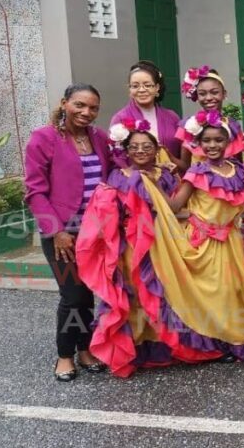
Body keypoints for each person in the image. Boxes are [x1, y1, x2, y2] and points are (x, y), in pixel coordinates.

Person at [146, 112, 244, 363]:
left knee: (232, 290)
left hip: (231, 241)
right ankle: (212, 343)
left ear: (228, 142)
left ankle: (232, 338)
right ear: (198, 143)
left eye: (218, 140)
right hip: (202, 242)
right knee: (210, 292)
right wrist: (151, 183)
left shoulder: (241, 172)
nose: (212, 145)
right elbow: (176, 206)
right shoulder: (197, 172)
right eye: (206, 141)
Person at [25, 83, 114, 381]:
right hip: (63, 234)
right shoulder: (44, 138)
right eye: (79, 105)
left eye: (92, 108)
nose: (86, 112)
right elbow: (35, 192)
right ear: (65, 103)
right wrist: (56, 232)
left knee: (87, 294)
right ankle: (65, 355)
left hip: (96, 233)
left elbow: (114, 172)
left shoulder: (99, 138)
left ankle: (85, 350)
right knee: (72, 295)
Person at [75, 123, 178, 377]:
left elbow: (174, 206)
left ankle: (161, 344)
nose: (141, 151)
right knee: (136, 292)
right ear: (126, 151)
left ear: (157, 150)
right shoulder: (119, 176)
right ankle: (134, 346)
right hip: (132, 244)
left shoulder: (164, 175)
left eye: (147, 146)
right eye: (134, 147)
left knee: (163, 291)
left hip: (162, 243)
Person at [110, 60, 182, 164]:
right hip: (135, 178)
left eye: (147, 85)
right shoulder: (120, 118)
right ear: (129, 89)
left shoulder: (172, 117)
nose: (142, 90)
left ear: (157, 88)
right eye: (135, 86)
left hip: (170, 177)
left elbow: (181, 153)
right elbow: (116, 156)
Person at [174, 65, 244, 170]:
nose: (209, 98)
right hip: (200, 183)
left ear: (224, 94)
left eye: (214, 92)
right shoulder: (189, 126)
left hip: (229, 183)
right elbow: (185, 166)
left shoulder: (232, 126)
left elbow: (239, 164)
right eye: (202, 94)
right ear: (197, 97)